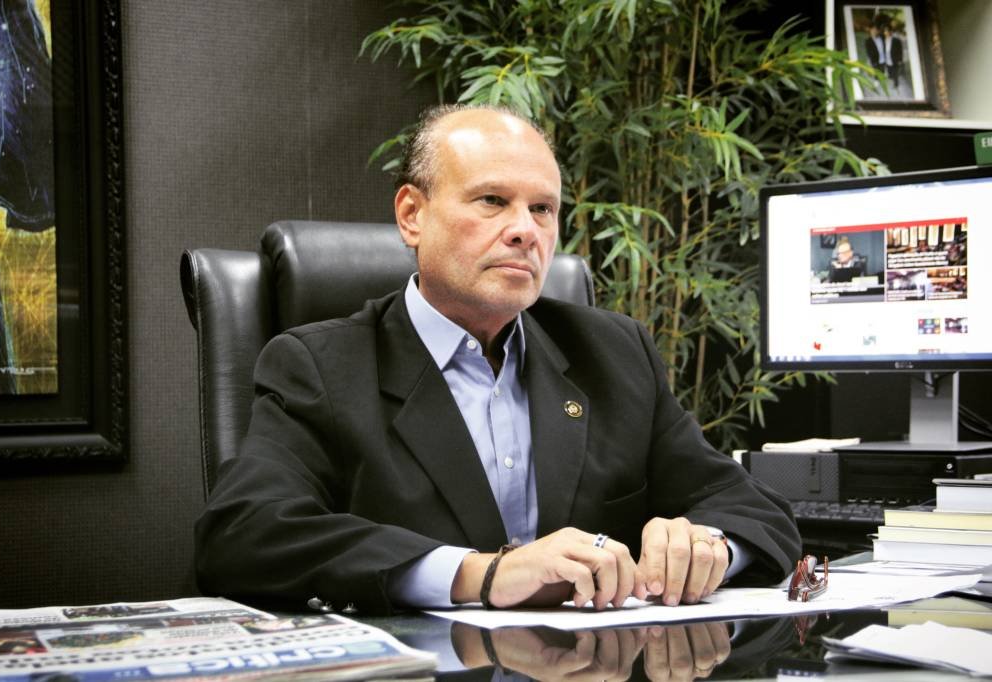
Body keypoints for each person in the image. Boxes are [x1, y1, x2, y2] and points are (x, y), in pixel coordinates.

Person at [194, 105, 800, 615]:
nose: (524, 231)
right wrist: (482, 575)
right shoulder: (319, 367)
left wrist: (707, 545)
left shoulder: (614, 353)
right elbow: (244, 535)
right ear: (412, 215)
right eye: (492, 200)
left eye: (543, 209)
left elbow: (756, 510)